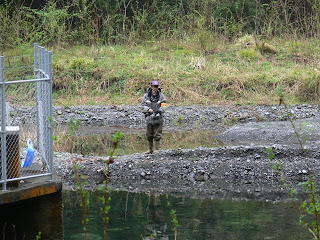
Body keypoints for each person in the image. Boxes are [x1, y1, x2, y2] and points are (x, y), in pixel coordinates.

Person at [142, 80, 167, 154]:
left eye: (156, 86)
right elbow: (142, 105)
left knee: (157, 134)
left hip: (159, 118)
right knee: (149, 135)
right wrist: (148, 109)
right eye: (154, 86)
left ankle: (156, 149)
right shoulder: (146, 96)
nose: (155, 88)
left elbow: (164, 105)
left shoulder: (162, 96)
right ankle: (150, 150)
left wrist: (159, 111)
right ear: (151, 87)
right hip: (149, 118)